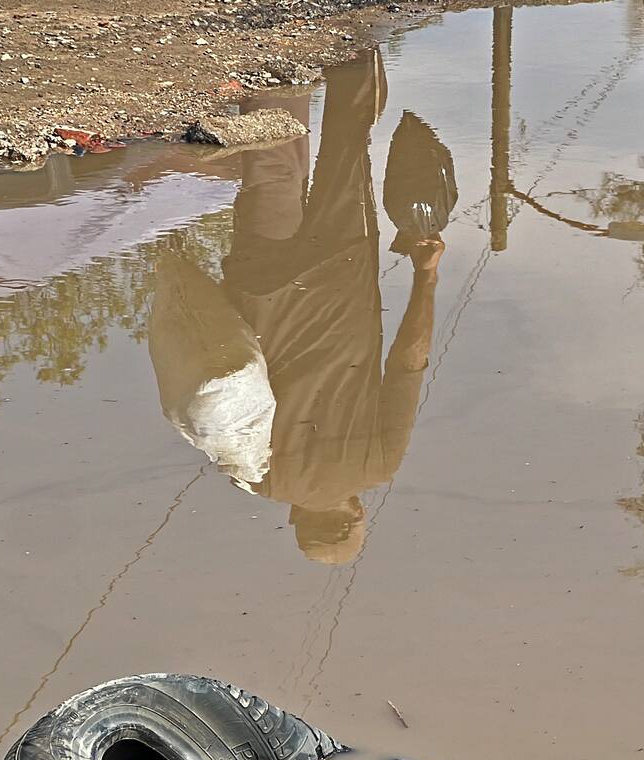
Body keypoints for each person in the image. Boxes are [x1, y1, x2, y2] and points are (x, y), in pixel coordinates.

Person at [150, 51, 456, 565]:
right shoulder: (264, 481)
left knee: (347, 146)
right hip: (257, 290)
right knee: (271, 171)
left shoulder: (377, 465)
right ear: (297, 519)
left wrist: (426, 278)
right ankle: (276, 55)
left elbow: (409, 361)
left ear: (356, 513)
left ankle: (353, 44)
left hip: (343, 277)